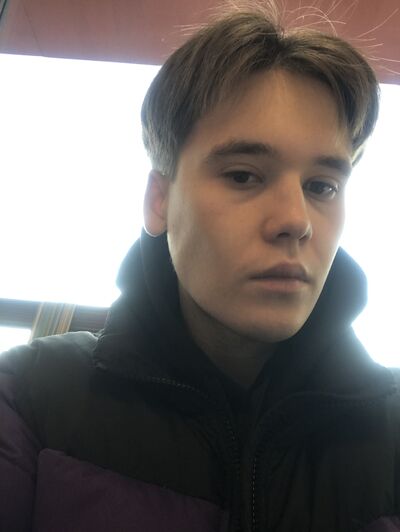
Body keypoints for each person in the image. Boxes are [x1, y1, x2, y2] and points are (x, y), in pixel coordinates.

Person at [1, 3, 399, 532]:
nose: (296, 221)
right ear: (159, 200)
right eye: (243, 176)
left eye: (321, 186)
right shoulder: (31, 396)